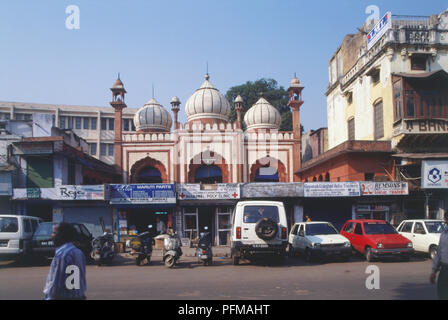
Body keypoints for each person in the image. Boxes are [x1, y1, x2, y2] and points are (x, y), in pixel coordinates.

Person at [43, 223, 87, 300]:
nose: (51, 235)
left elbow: (56, 285)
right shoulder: (78, 252)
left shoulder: (62, 255)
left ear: (62, 235)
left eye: (54, 233)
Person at [430, 212, 448, 300]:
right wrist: (434, 271)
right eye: (446, 221)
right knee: (442, 293)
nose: (446, 223)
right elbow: (439, 254)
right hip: (445, 269)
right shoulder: (444, 235)